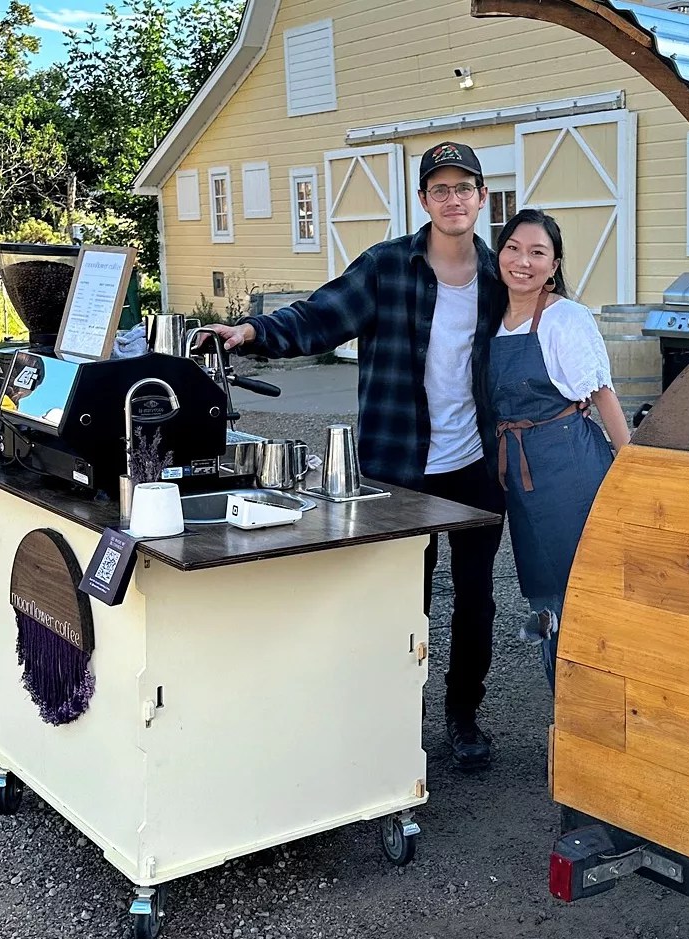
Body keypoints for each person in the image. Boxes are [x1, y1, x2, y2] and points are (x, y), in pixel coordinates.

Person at [200, 142, 505, 771]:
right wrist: (253, 332)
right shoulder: (388, 266)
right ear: (424, 200)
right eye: (440, 189)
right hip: (399, 462)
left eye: (465, 188)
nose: (454, 200)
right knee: (399, 597)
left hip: (477, 463)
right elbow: (320, 315)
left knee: (476, 598)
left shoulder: (502, 276)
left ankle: (463, 714)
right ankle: (396, 715)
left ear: (481, 196)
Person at [487, 208, 630, 691]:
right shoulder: (494, 319)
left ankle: (594, 705)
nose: (522, 261)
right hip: (522, 474)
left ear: (554, 265)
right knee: (545, 593)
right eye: (513, 248)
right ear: (498, 254)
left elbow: (602, 392)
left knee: (584, 589)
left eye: (537, 252)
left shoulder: (565, 318)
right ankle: (562, 704)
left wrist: (630, 467)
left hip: (570, 465)